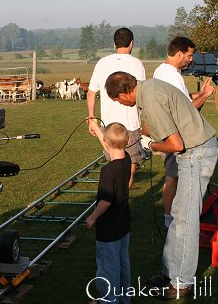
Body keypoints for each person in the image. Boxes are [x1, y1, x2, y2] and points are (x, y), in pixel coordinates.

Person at [105, 71, 218, 299]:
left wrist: (152, 146)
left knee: (186, 219)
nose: (120, 103)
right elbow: (154, 126)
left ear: (127, 91)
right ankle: (169, 274)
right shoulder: (149, 90)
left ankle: (182, 283)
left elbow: (175, 144)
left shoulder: (151, 99)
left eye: (118, 99)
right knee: (178, 214)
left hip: (196, 154)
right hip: (193, 152)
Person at [153, 36, 214, 233]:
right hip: (174, 135)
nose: (190, 60)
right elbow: (186, 109)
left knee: (175, 177)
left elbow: (183, 99)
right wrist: (205, 95)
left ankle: (171, 218)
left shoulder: (163, 71)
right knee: (173, 177)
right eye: (189, 55)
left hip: (171, 132)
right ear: (179, 54)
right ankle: (169, 220)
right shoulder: (172, 76)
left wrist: (200, 93)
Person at [87, 27, 146, 189]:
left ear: (114, 44)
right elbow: (140, 93)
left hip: (109, 124)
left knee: (114, 163)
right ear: (132, 43)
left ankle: (115, 199)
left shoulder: (102, 63)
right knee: (131, 164)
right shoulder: (136, 63)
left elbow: (91, 92)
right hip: (131, 124)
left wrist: (91, 118)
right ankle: (123, 197)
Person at [86, 120, 132, 304]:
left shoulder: (107, 171)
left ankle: (108, 300)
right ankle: (124, 298)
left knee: (107, 267)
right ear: (126, 141)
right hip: (123, 225)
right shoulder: (127, 158)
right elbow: (110, 147)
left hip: (108, 229)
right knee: (123, 263)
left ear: (107, 141)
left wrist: (92, 217)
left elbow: (105, 201)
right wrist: (98, 129)